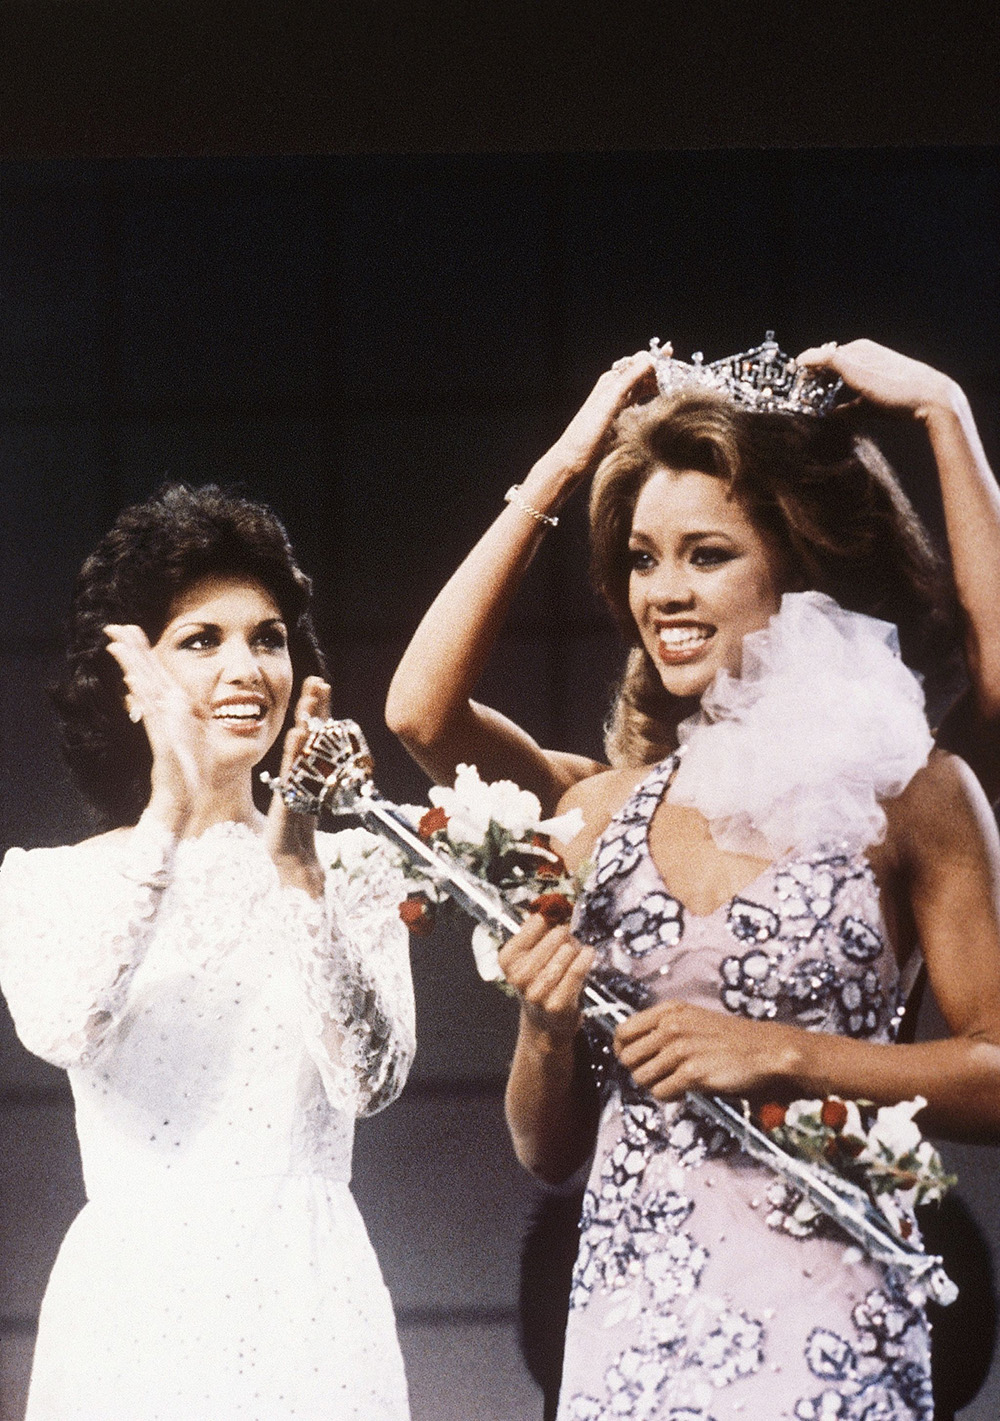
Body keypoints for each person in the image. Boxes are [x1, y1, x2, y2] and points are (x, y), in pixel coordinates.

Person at [386, 340, 1000, 1419]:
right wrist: (570, 459)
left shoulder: (910, 794)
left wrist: (946, 412)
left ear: (793, 562)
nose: (661, 591)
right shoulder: (594, 813)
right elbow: (417, 714)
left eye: (704, 553)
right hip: (631, 1323)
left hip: (837, 1310)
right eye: (639, 557)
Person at [0, 483, 415, 1421]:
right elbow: (65, 1022)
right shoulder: (47, 881)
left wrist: (301, 868)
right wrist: (167, 816)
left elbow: (373, 1082)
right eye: (203, 640)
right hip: (134, 1310)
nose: (247, 667)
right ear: (130, 681)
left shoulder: (351, 864)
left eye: (266, 638)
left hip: (310, 1299)